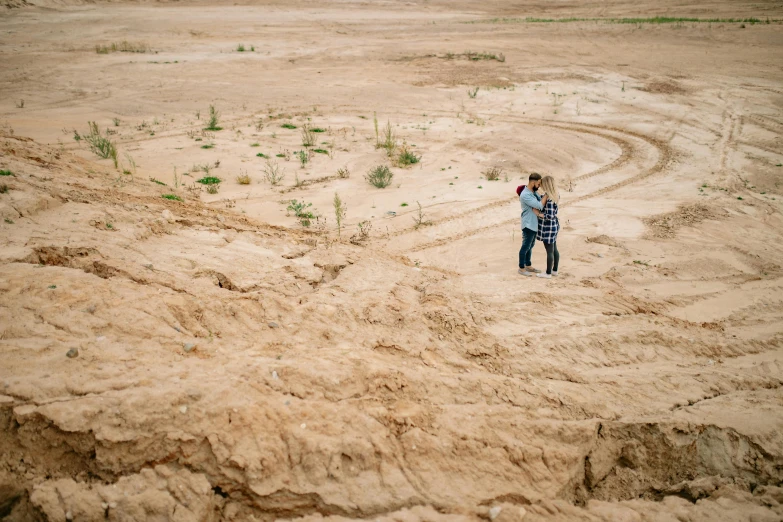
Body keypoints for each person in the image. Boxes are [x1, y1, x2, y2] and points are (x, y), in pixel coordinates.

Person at [518, 173, 547, 276]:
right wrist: (548, 194)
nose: (539, 186)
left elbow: (540, 200)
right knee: (526, 246)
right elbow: (540, 205)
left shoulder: (533, 193)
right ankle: (521, 268)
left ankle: (528, 265)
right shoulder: (526, 194)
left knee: (531, 245)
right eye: (538, 184)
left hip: (533, 223)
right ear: (533, 182)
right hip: (528, 223)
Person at [536, 175, 560, 278]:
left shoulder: (549, 199)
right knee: (554, 248)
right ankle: (554, 270)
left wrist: (538, 214)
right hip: (554, 225)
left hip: (549, 227)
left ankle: (548, 273)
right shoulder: (555, 195)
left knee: (549, 250)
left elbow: (549, 216)